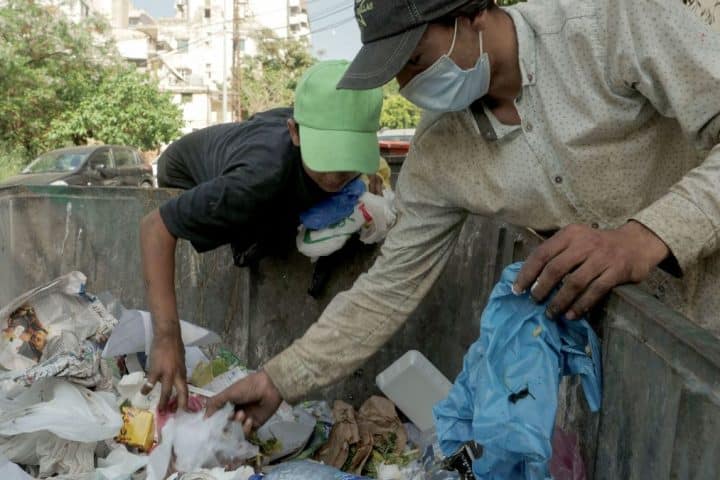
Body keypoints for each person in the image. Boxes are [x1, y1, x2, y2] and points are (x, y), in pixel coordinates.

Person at [205, 0, 720, 431]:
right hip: (643, 372)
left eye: (416, 58)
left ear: (473, 13)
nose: (409, 83)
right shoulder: (441, 153)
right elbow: (387, 290)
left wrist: (643, 237)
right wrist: (279, 378)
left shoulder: (608, 26)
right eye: (396, 72)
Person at [139, 60, 383, 412]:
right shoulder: (259, 178)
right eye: (326, 157)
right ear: (295, 132)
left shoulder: (340, 158)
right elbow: (155, 227)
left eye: (348, 159)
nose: (336, 174)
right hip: (184, 172)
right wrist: (166, 338)